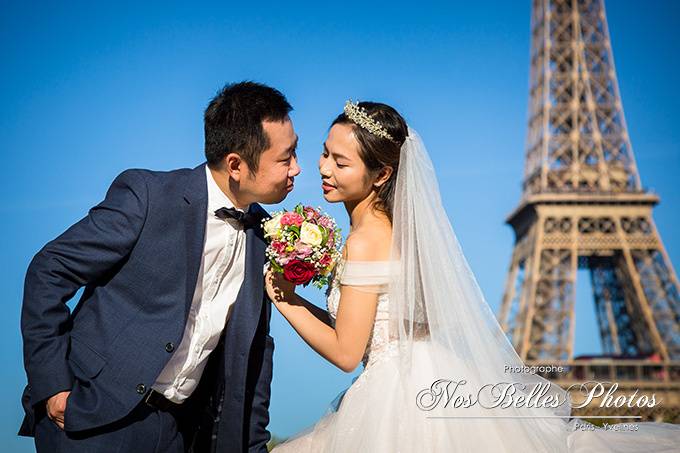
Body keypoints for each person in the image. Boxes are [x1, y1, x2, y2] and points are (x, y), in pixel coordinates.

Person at [265, 100, 680, 452]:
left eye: (340, 162)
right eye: (324, 153)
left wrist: (284, 298)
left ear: (382, 174)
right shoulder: (396, 231)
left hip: (396, 397)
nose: (323, 168)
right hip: (431, 378)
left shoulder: (366, 239)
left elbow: (346, 353)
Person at [19, 81, 300, 452]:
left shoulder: (266, 237)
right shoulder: (148, 196)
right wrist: (53, 385)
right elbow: (49, 269)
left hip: (179, 435)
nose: (296, 168)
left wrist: (251, 444)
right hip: (91, 422)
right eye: (285, 158)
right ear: (236, 164)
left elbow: (256, 355)